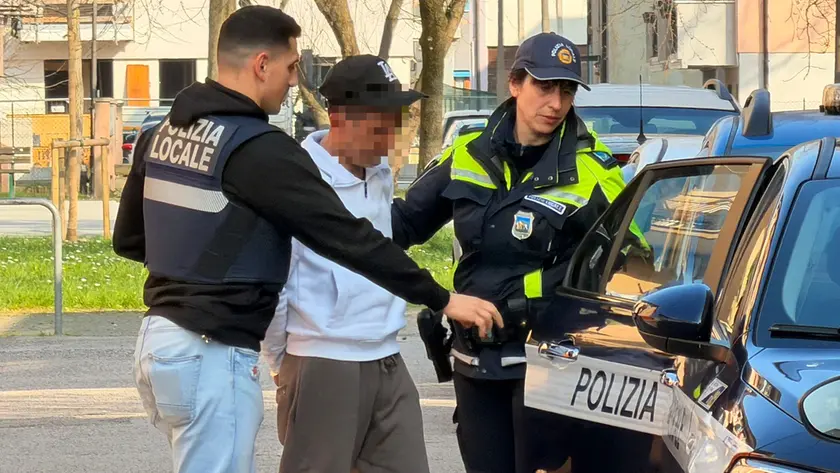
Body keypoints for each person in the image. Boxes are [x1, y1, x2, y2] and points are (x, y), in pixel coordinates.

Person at [112, 6, 502, 473]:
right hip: (213, 350)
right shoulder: (258, 148)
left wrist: (204, 262)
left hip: (163, 344)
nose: (295, 81)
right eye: (293, 66)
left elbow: (131, 240)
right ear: (262, 64)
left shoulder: (163, 133)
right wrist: (441, 298)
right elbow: (347, 238)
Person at [391, 32, 648, 473]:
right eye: (544, 87)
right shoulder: (466, 153)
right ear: (515, 84)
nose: (555, 102)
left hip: (550, 363)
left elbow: (634, 264)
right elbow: (399, 226)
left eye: (566, 90)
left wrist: (542, 298)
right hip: (476, 361)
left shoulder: (594, 169)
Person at [261, 54, 432, 473]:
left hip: (386, 353)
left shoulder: (380, 174)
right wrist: (283, 362)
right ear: (341, 117)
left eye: (396, 121)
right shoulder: (297, 177)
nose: (390, 137)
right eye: (380, 123)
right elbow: (274, 281)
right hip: (324, 358)